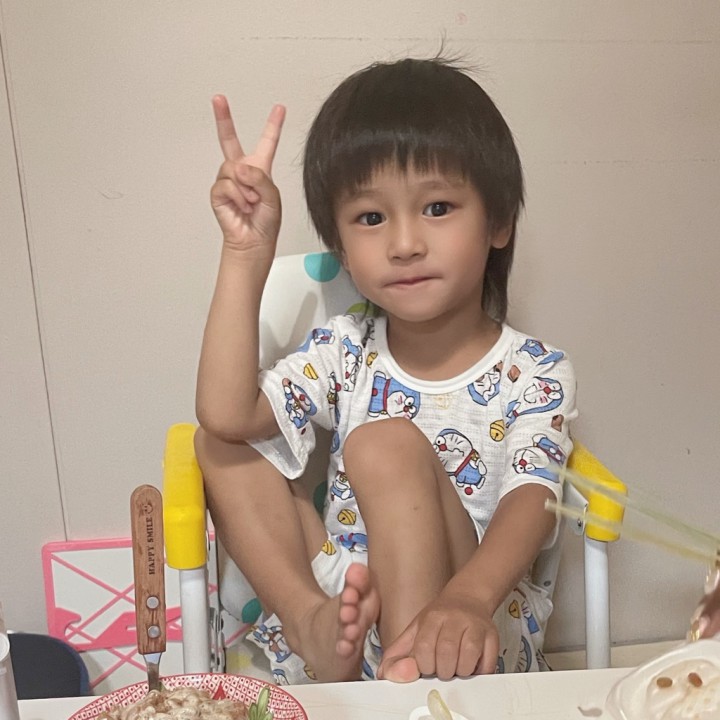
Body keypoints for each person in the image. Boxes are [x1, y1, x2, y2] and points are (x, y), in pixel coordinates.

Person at [195, 56, 577, 685]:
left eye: (437, 207)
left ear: (499, 221)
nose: (404, 244)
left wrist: (468, 599)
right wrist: (246, 252)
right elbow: (226, 413)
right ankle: (307, 624)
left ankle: (406, 679)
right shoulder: (345, 349)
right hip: (351, 610)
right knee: (218, 444)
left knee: (383, 443)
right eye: (371, 218)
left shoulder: (534, 371)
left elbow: (532, 498)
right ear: (343, 249)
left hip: (471, 623)